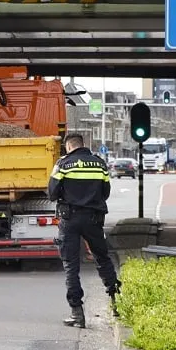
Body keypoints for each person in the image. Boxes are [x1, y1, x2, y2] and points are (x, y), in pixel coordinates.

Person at [47, 132, 122, 328]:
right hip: (94, 219)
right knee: (102, 258)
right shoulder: (99, 163)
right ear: (82, 144)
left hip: (69, 219)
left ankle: (77, 314)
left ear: (68, 146)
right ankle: (116, 304)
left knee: (71, 266)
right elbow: (105, 192)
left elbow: (52, 193)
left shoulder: (62, 164)